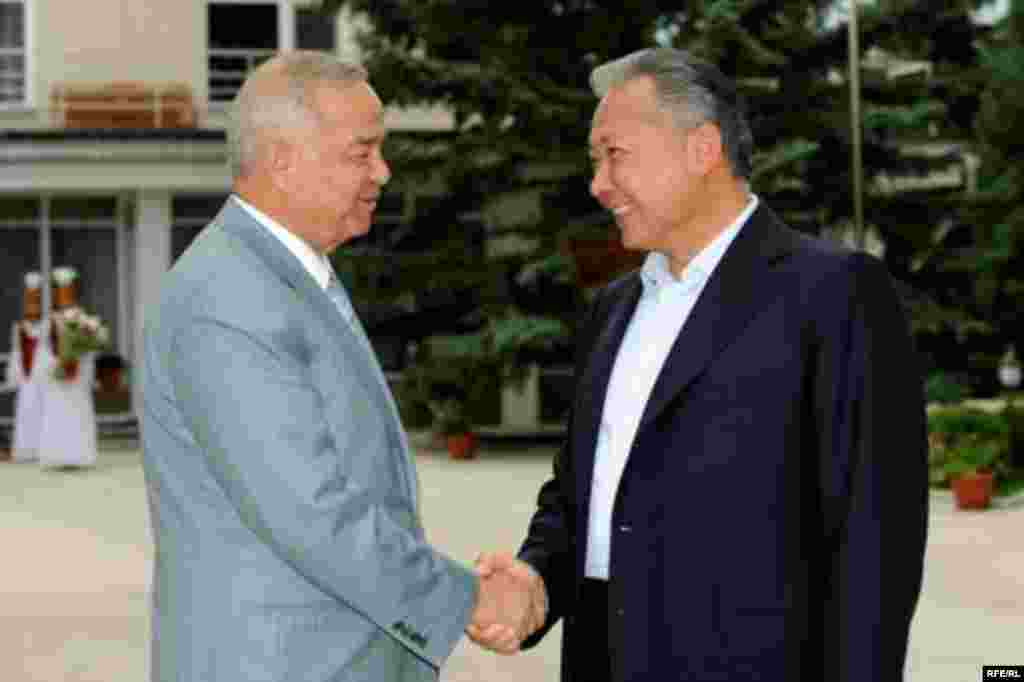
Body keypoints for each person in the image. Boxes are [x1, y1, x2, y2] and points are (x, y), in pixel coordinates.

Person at [472, 47, 929, 681]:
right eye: (594, 160)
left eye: (615, 154)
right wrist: (537, 579)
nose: (598, 184)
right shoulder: (614, 307)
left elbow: (875, 541)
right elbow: (583, 496)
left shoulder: (834, 294)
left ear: (702, 148)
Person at [139, 51, 539, 682]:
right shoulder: (228, 297)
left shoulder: (282, 275)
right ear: (282, 159)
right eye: (362, 151)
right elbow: (313, 514)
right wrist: (468, 598)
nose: (382, 172)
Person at [36, 266, 100, 469]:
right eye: (61, 290)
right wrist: (55, 364)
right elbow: (44, 347)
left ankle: (79, 455)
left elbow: (89, 346)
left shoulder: (82, 318)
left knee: (76, 411)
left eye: (68, 290)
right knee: (58, 412)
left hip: (76, 374)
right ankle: (57, 455)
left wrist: (77, 360)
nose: (64, 295)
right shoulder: (51, 320)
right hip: (57, 373)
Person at [6, 271, 46, 463]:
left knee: (43, 411)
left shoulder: (46, 325)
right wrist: (16, 375)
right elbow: (16, 352)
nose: (32, 306)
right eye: (30, 301)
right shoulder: (19, 327)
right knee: (26, 411)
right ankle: (26, 450)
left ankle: (42, 448)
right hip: (27, 376)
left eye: (36, 301)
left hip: (42, 377)